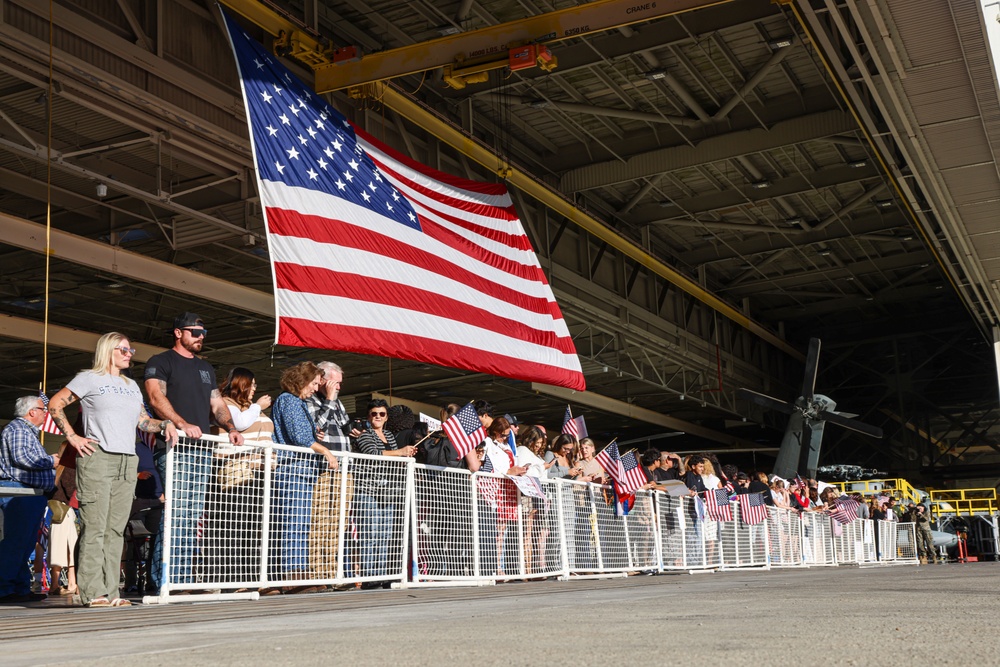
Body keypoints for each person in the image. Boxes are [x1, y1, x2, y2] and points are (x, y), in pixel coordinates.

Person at [48, 333, 176, 607]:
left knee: (116, 528)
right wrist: (73, 437)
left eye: (132, 349)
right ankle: (93, 591)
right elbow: (55, 404)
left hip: (127, 460)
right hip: (97, 458)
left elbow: (143, 422)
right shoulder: (88, 379)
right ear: (108, 350)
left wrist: (165, 425)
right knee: (95, 526)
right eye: (124, 349)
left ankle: (112, 592)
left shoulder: (131, 385)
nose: (130, 353)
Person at [143, 312, 243, 593]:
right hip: (175, 447)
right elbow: (154, 396)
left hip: (203, 449)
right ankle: (165, 578)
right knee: (177, 512)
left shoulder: (206, 368)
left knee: (192, 514)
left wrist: (231, 427)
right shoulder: (160, 362)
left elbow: (217, 403)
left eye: (204, 333)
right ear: (178, 333)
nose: (201, 337)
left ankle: (182, 576)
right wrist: (181, 423)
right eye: (195, 332)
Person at [270, 362, 337, 591]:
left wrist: (313, 434)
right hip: (293, 470)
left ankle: (298, 568)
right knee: (293, 522)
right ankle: (291, 573)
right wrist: (325, 451)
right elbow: (299, 437)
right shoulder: (289, 400)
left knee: (300, 523)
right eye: (314, 383)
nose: (315, 388)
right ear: (303, 380)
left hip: (301, 471)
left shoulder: (296, 402)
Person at [210, 367, 273, 586]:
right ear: (242, 384)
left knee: (254, 527)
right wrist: (258, 407)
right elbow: (238, 424)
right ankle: (233, 579)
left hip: (259, 473)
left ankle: (253, 577)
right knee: (235, 525)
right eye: (252, 384)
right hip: (235, 472)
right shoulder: (226, 404)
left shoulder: (250, 408)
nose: (255, 389)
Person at [0, 396, 59, 603]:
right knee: (17, 542)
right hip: (20, 492)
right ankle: (5, 588)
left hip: (30, 494)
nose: (46, 413)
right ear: (31, 411)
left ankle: (19, 587)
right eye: (43, 409)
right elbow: (22, 457)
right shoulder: (18, 429)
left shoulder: (25, 431)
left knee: (24, 544)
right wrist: (51, 460)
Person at [353, 399, 417, 585]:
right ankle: (369, 576)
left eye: (381, 414)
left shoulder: (389, 435)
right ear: (368, 416)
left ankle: (380, 575)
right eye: (374, 413)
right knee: (370, 534)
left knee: (385, 535)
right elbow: (372, 454)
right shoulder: (365, 435)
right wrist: (400, 452)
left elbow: (395, 455)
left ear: (387, 417)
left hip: (388, 491)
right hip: (368, 490)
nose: (378, 417)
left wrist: (405, 453)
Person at [304, 361, 354, 581]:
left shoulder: (338, 402)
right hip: (323, 469)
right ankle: (317, 573)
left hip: (344, 470)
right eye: (336, 383)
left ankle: (331, 571)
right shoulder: (309, 399)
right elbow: (316, 428)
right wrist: (330, 400)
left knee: (338, 523)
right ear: (323, 379)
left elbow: (346, 426)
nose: (339, 388)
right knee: (320, 521)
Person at [48, 444, 78, 597]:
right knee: (71, 548)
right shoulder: (70, 467)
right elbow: (70, 487)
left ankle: (54, 584)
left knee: (56, 548)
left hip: (55, 512)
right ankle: (72, 583)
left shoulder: (55, 469)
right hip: (66, 511)